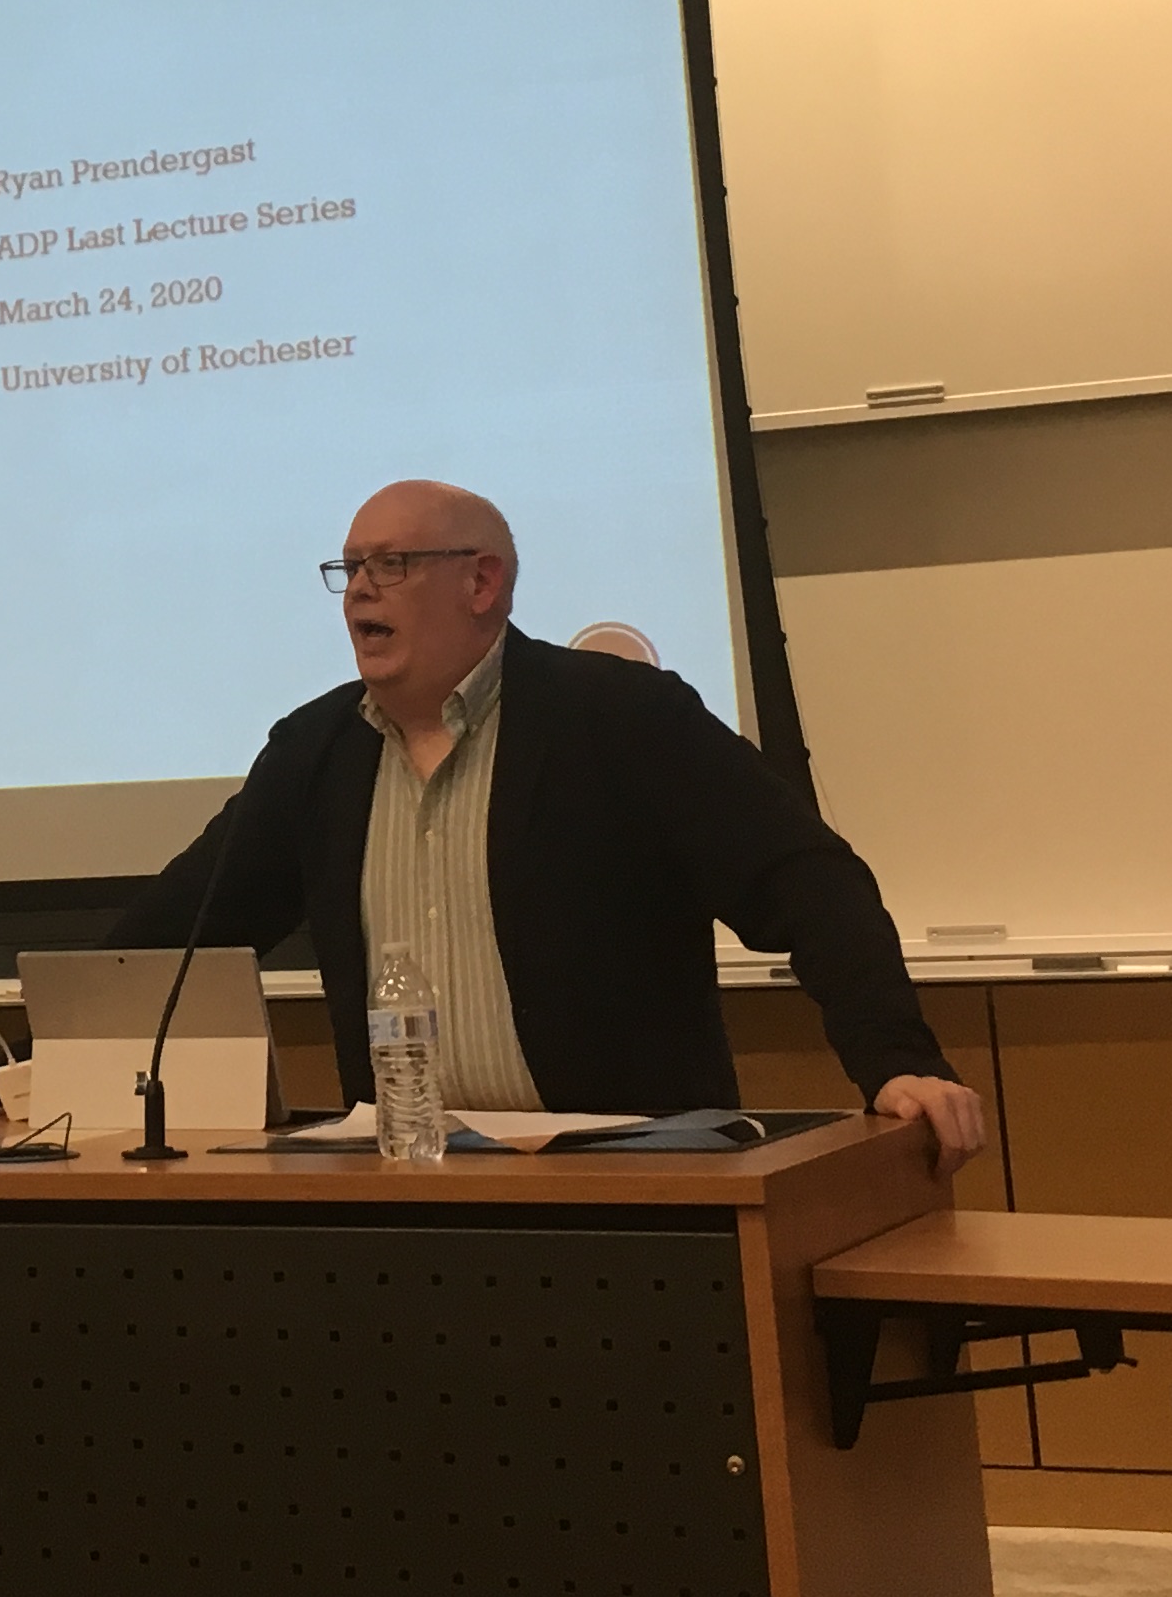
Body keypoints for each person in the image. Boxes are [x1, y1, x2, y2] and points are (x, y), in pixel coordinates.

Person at [102, 477, 988, 1167]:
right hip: (408, 1179)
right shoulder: (315, 751)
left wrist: (896, 1062)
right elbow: (181, 931)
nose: (359, 592)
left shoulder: (623, 719)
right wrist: (13, 1072)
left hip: (636, 1169)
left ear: (481, 580)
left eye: (391, 565)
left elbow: (807, 882)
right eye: (350, 570)